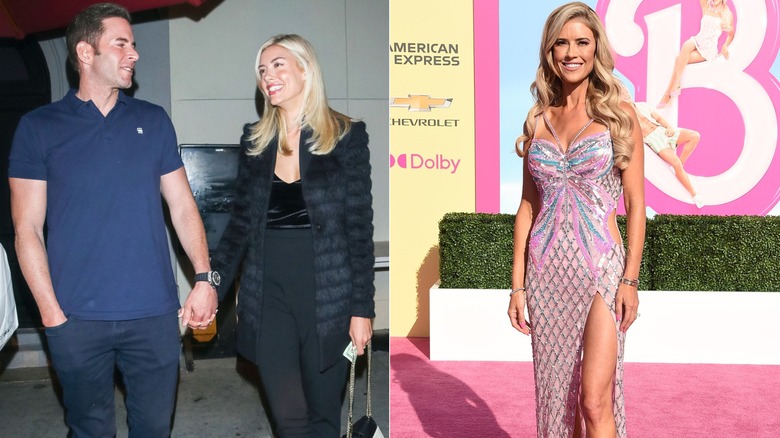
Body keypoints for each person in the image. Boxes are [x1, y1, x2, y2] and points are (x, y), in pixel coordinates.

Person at [8, 3, 217, 437]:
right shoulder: (38, 127)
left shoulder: (153, 121)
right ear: (85, 52)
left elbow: (182, 206)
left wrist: (203, 276)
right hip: (75, 318)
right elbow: (26, 228)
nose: (134, 54)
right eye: (120, 43)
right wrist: (51, 315)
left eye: (135, 44)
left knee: (155, 428)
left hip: (155, 315)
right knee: (89, 430)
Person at [210, 34, 375, 437]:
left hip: (329, 296)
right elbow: (238, 226)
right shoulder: (255, 139)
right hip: (268, 292)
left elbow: (359, 227)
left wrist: (362, 309)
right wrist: (209, 284)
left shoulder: (346, 135)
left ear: (305, 69)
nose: (268, 75)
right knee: (288, 418)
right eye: (263, 70)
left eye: (278, 64)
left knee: (322, 416)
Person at [507, 3, 645, 437]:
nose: (571, 52)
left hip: (603, 269)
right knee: (555, 398)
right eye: (561, 43)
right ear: (550, 53)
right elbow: (527, 208)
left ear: (595, 49)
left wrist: (630, 280)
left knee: (592, 398)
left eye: (581, 42)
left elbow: (636, 205)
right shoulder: (537, 121)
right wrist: (517, 285)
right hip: (547, 274)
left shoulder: (620, 114)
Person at [657, 0, 734, 108]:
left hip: (708, 49)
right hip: (698, 40)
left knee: (678, 59)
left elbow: (730, 34)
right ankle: (677, 84)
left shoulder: (727, 14)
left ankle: (667, 96)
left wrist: (725, 46)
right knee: (686, 45)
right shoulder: (706, 6)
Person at [633, 101, 704, 207]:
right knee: (676, 164)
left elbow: (659, 119)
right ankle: (694, 194)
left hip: (662, 130)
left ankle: (681, 164)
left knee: (695, 136)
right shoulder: (625, 115)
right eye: (623, 94)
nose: (626, 95)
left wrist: (670, 128)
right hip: (653, 139)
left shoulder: (642, 105)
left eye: (626, 93)